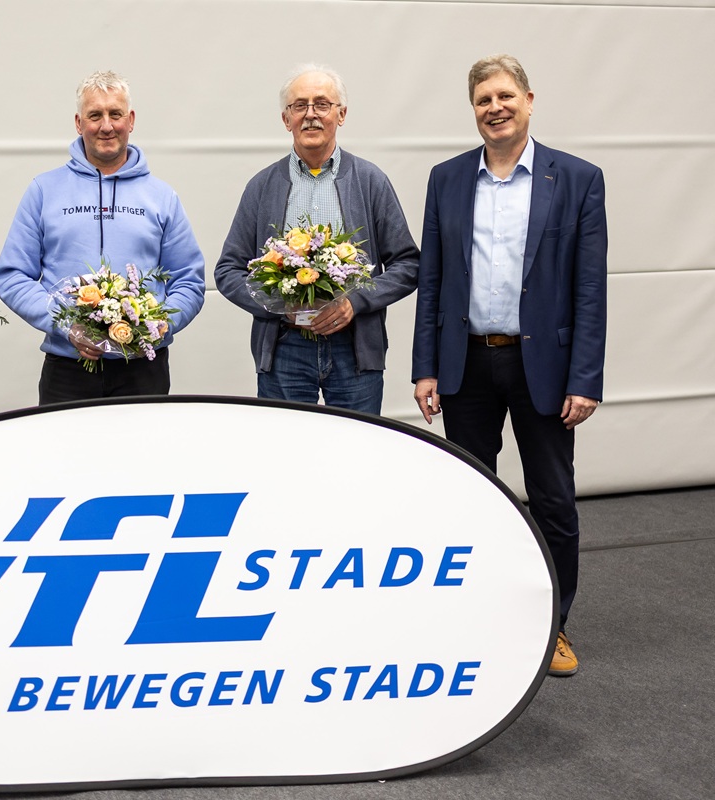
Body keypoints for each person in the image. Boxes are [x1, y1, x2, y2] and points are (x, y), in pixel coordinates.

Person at [411, 54, 607, 676]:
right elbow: (433, 281)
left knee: (553, 501)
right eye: (482, 100)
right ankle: (480, 619)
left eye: (504, 96)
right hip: (465, 363)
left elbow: (590, 289)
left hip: (541, 367)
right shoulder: (446, 178)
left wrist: (585, 378)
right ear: (473, 110)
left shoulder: (577, 179)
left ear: (528, 100)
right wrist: (425, 368)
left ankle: (553, 626)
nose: (494, 108)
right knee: (473, 498)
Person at [214, 64, 419, 414]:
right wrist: (277, 305)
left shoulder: (370, 181)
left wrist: (355, 301)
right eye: (300, 106)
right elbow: (227, 270)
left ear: (341, 114)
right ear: (286, 119)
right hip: (284, 348)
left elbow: (408, 264)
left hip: (354, 349)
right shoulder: (261, 187)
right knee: (286, 445)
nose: (311, 114)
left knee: (356, 444)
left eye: (322, 104)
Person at [0, 70, 205, 404]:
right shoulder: (44, 191)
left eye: (115, 114)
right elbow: (12, 275)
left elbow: (189, 281)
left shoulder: (162, 197)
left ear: (130, 120)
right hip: (68, 369)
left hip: (142, 368)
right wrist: (65, 325)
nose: (106, 126)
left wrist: (157, 326)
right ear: (79, 123)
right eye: (95, 115)